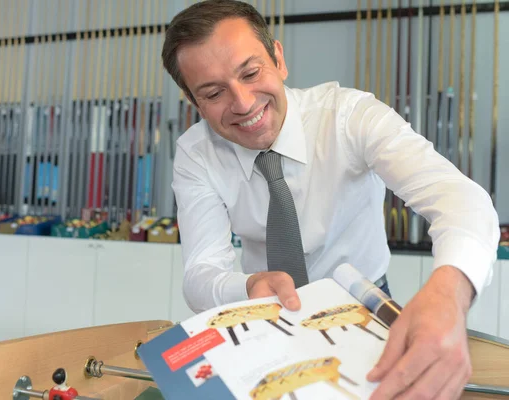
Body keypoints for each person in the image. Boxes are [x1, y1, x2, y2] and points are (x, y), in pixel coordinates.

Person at [162, 1, 500, 399]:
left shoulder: (349, 115)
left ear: (279, 59)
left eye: (251, 73)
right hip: (268, 310)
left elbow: (460, 198)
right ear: (193, 101)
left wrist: (447, 294)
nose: (243, 103)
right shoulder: (195, 154)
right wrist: (247, 284)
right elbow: (201, 272)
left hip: (365, 301)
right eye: (214, 93)